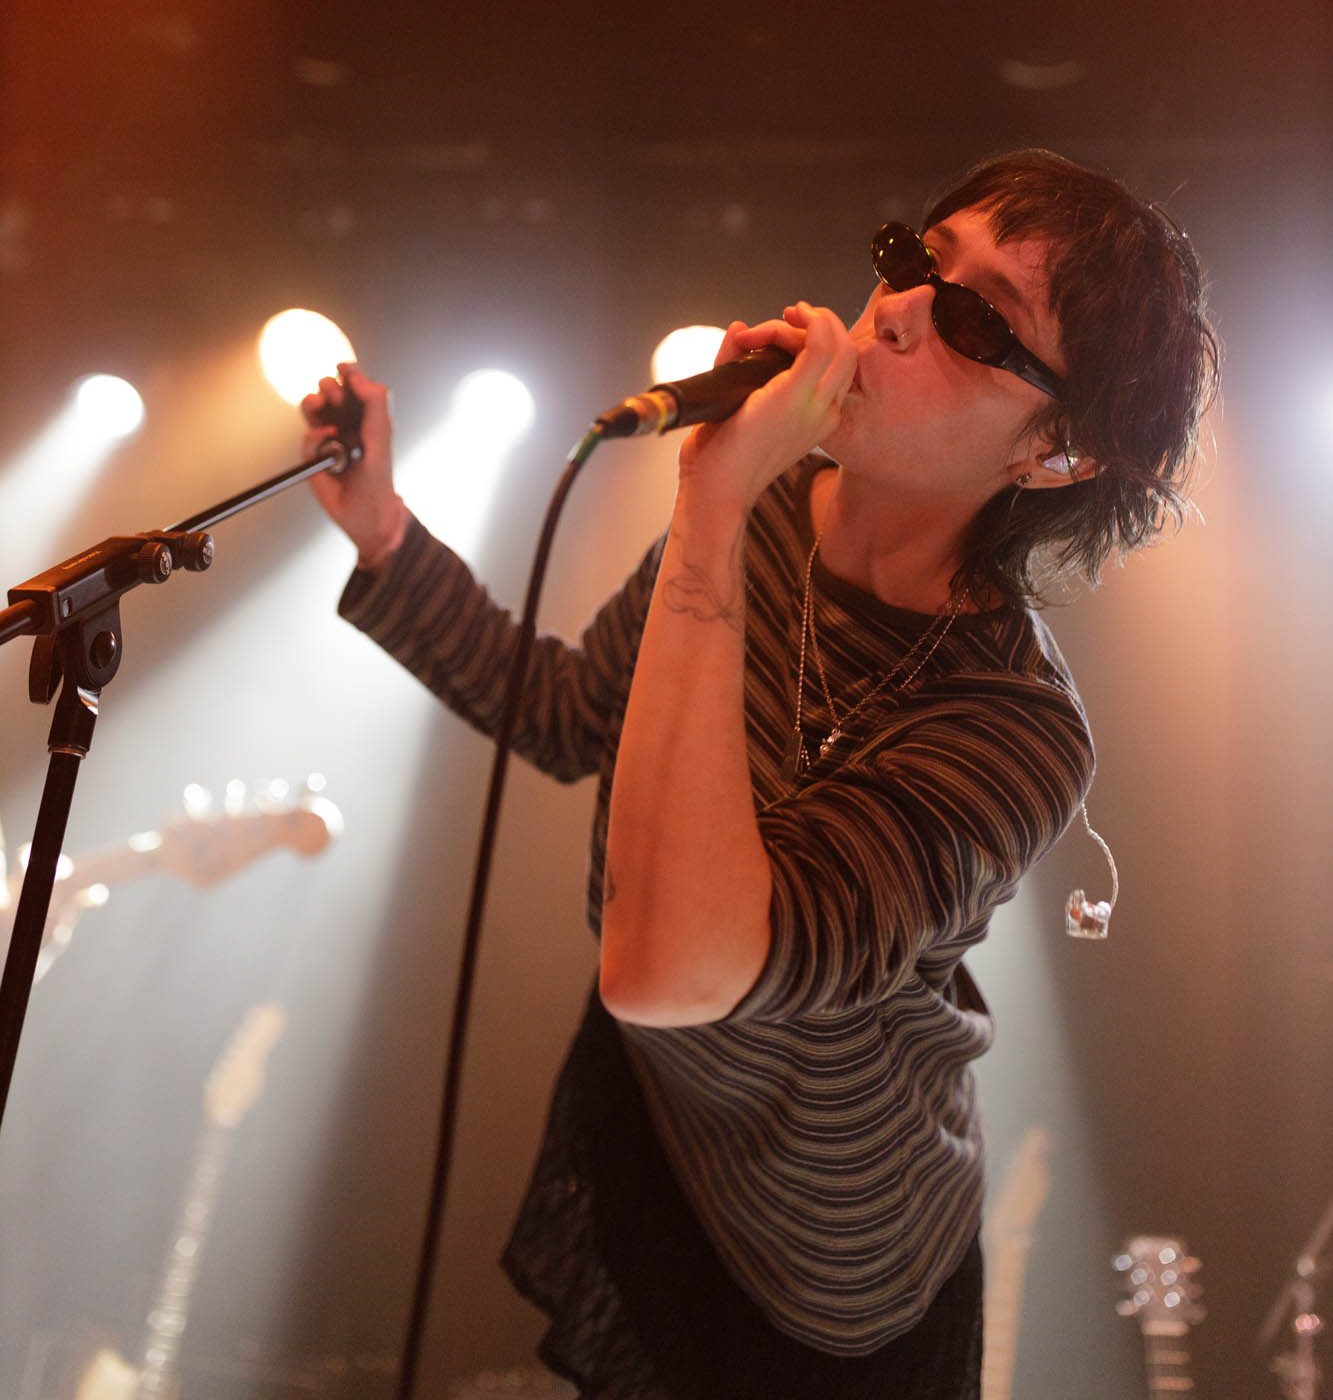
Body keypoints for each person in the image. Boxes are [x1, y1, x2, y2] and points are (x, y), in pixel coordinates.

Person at [302, 147, 1218, 1400]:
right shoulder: (774, 511)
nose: (896, 311)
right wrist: (382, 530)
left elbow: (681, 965)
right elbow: (573, 713)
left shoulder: (1014, 727)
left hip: (830, 1264)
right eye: (915, 261)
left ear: (1057, 452)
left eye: (975, 319)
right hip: (669, 1123)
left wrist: (714, 497)